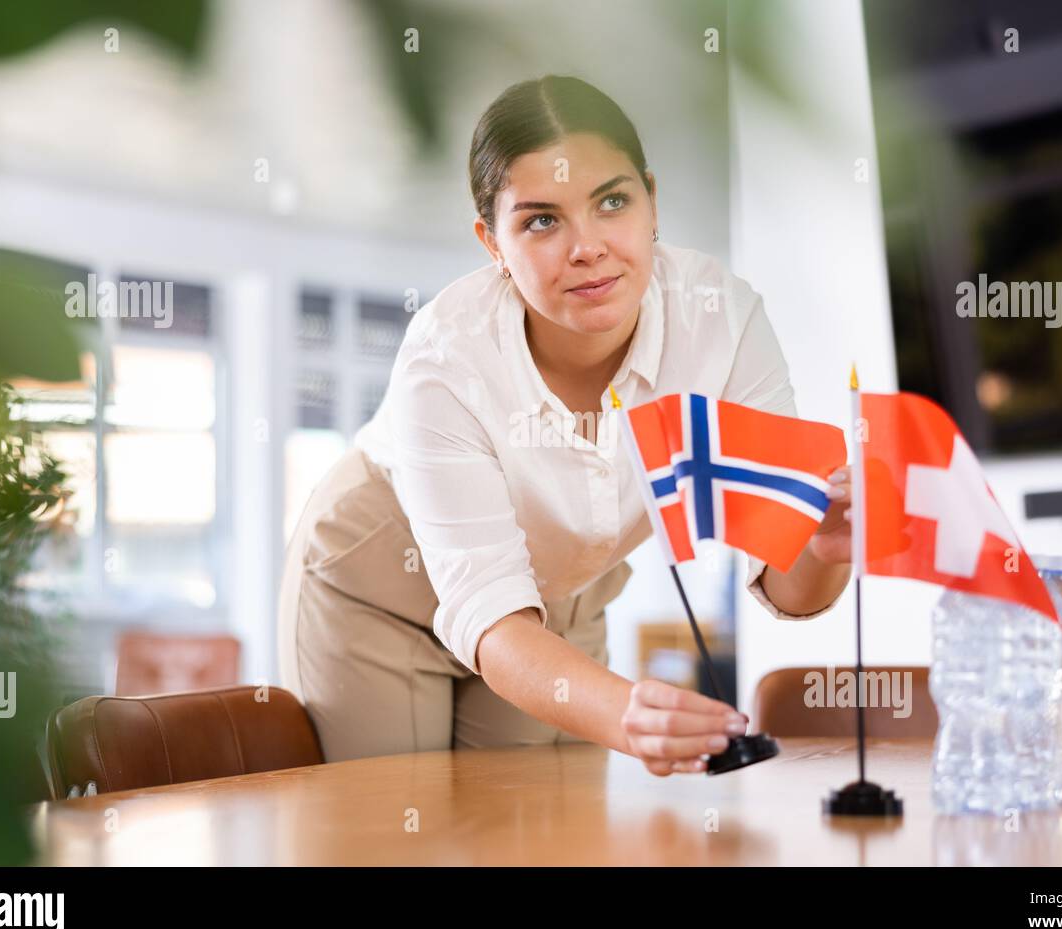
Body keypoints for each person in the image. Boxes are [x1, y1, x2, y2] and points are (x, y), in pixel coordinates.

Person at [277, 74, 852, 775]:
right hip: (381, 591)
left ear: (651, 201)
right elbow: (490, 614)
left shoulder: (721, 322)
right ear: (492, 242)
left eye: (612, 202)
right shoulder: (447, 358)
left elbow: (785, 573)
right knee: (401, 831)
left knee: (545, 835)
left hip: (557, 605)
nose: (588, 248)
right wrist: (624, 713)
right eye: (542, 220)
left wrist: (820, 547)